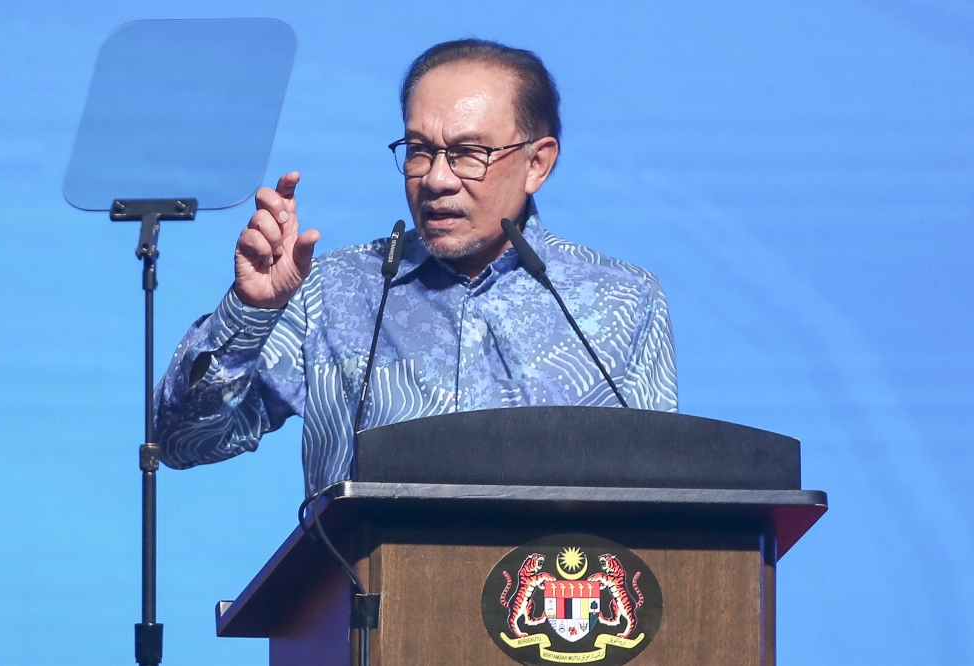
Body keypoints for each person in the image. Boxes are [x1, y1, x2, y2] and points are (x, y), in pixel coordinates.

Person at [154, 39, 678, 496]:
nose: (436, 180)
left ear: (537, 163)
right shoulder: (330, 293)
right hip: (372, 605)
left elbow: (664, 500)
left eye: (469, 153)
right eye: (420, 151)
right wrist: (250, 312)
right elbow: (180, 442)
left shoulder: (622, 301)